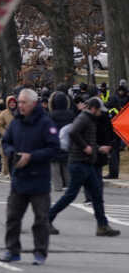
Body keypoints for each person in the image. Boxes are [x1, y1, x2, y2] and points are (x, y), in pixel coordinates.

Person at [0, 88, 60, 264]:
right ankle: (12, 250)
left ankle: (40, 252)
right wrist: (12, 154)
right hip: (19, 179)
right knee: (12, 217)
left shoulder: (45, 123)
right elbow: (6, 142)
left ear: (33, 104)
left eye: (23, 102)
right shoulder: (16, 123)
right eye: (19, 102)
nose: (20, 105)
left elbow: (54, 148)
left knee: (41, 219)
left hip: (39, 180)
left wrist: (32, 157)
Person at [48, 97, 121, 237]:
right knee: (71, 195)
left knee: (96, 194)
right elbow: (73, 132)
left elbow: (88, 142)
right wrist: (85, 146)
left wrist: (98, 148)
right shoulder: (84, 118)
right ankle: (47, 218)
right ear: (93, 108)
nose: (101, 113)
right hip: (78, 163)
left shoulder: (89, 119)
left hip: (86, 163)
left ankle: (102, 226)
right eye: (99, 110)